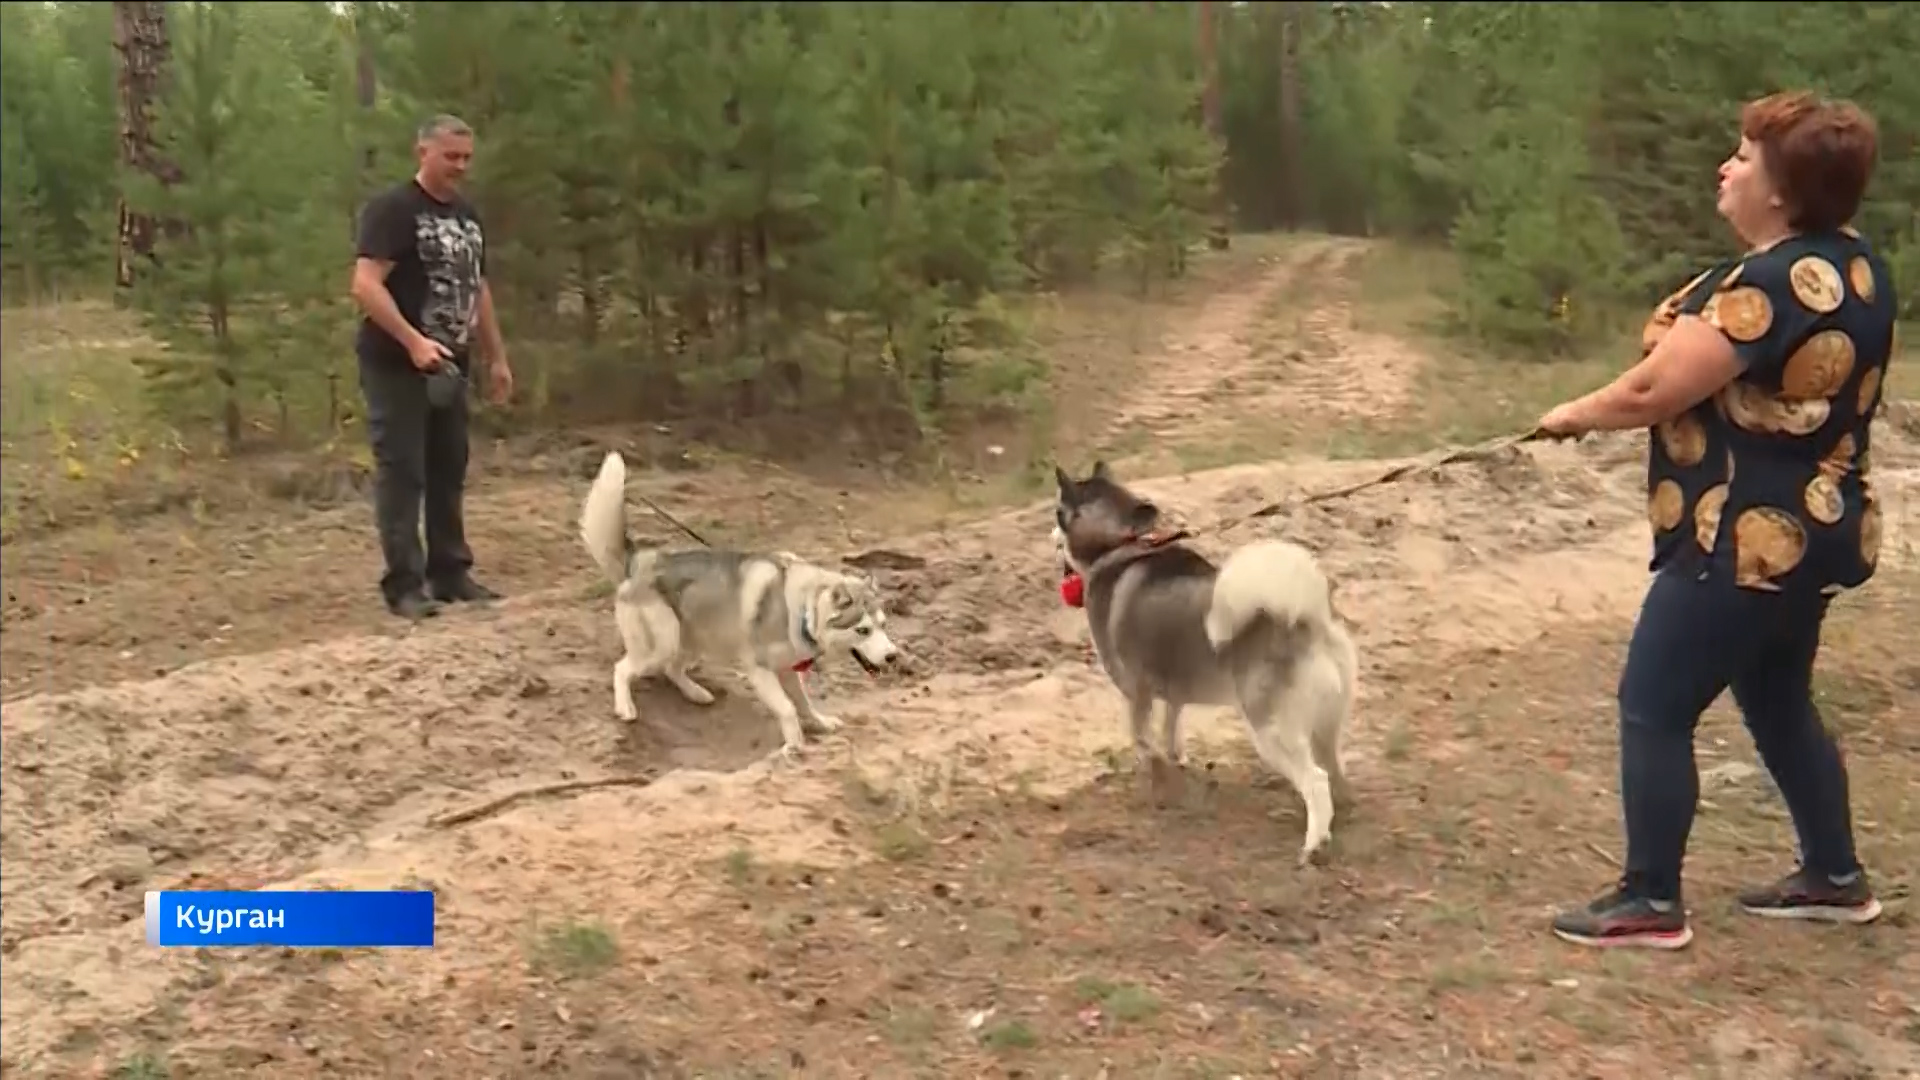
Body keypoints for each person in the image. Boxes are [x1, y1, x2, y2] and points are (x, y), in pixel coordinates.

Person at [1535, 91, 1892, 950]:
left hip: (1739, 538)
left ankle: (1649, 899)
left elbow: (1659, 387)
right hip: (1812, 531)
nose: (1725, 167)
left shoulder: (1766, 287)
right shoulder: (1854, 264)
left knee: (1652, 705)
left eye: (1743, 156)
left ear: (1781, 190)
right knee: (1776, 700)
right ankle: (1835, 878)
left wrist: (1573, 414)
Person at [349, 114, 515, 620]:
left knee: (449, 467)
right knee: (403, 472)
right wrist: (413, 341)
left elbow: (477, 288)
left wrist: (497, 357)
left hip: (451, 364)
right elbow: (364, 285)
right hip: (397, 364)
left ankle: (450, 573)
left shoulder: (468, 215)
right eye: (451, 156)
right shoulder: (393, 210)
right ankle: (404, 584)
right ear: (423, 152)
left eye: (467, 157)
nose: (460, 166)